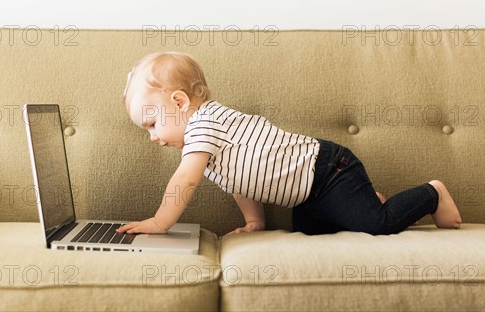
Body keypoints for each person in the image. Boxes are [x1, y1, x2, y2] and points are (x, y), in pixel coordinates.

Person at [116, 51, 462, 237]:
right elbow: (241, 181)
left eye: (152, 123)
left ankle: (432, 193)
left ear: (179, 102)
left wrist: (160, 223)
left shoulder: (204, 124)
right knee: (311, 232)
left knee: (378, 225)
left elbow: (183, 181)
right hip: (308, 195)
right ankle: (366, 202)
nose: (154, 137)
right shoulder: (210, 146)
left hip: (329, 172)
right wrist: (255, 223)